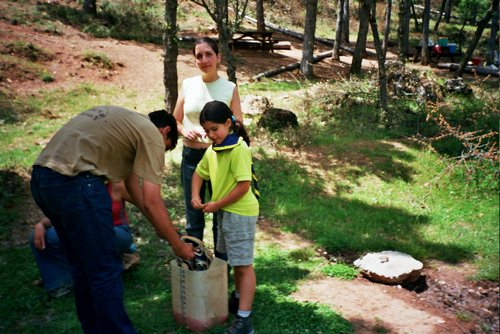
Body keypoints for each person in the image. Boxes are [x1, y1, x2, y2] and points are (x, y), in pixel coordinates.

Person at [30, 105, 195, 334]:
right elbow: (151, 199)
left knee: (82, 265)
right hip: (77, 184)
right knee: (105, 269)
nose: (159, 153)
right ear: (166, 131)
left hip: (42, 180)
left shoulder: (125, 126)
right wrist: (178, 246)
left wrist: (158, 225)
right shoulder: (151, 134)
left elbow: (131, 187)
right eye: (165, 149)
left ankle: (94, 329)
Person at [173, 36, 243, 260]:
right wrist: (185, 131)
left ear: (218, 57)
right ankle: (196, 264)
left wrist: (219, 137)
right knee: (194, 215)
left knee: (220, 215)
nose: (204, 60)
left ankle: (222, 268)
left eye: (208, 54)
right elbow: (174, 120)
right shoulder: (188, 85)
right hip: (192, 156)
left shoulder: (229, 87)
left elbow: (238, 124)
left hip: (220, 158)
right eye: (199, 56)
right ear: (195, 61)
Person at [191, 101, 258, 334]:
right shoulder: (212, 150)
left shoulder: (239, 149)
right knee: (233, 261)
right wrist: (194, 196)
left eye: (214, 129)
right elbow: (199, 174)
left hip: (240, 213)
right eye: (206, 130)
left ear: (228, 123)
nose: (210, 135)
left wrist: (216, 204)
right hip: (224, 213)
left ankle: (245, 320)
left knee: (243, 265)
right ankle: (238, 299)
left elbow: (243, 186)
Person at [29, 181, 140, 298]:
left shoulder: (116, 185)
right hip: (86, 231)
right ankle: (61, 281)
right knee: (43, 236)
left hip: (117, 232)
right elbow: (62, 214)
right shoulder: (78, 187)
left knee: (85, 230)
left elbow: (144, 202)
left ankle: (115, 261)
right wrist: (41, 224)